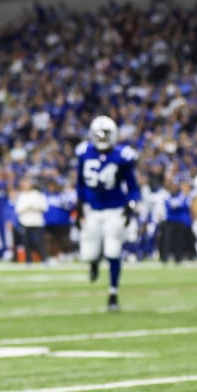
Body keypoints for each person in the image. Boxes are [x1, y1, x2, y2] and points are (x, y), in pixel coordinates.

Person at [74, 115, 139, 312]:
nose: (102, 138)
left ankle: (113, 293)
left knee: (113, 251)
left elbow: (133, 187)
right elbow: (80, 182)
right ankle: (93, 264)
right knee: (89, 254)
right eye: (99, 135)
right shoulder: (84, 152)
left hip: (114, 209)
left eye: (105, 134)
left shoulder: (122, 156)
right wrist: (78, 206)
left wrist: (131, 205)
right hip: (92, 209)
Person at [14, 177, 49, 266]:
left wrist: (34, 207)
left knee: (38, 242)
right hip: (25, 223)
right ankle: (28, 260)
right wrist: (27, 207)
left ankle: (44, 259)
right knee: (26, 243)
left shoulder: (38, 195)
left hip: (37, 222)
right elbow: (18, 209)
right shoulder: (21, 196)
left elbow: (45, 207)